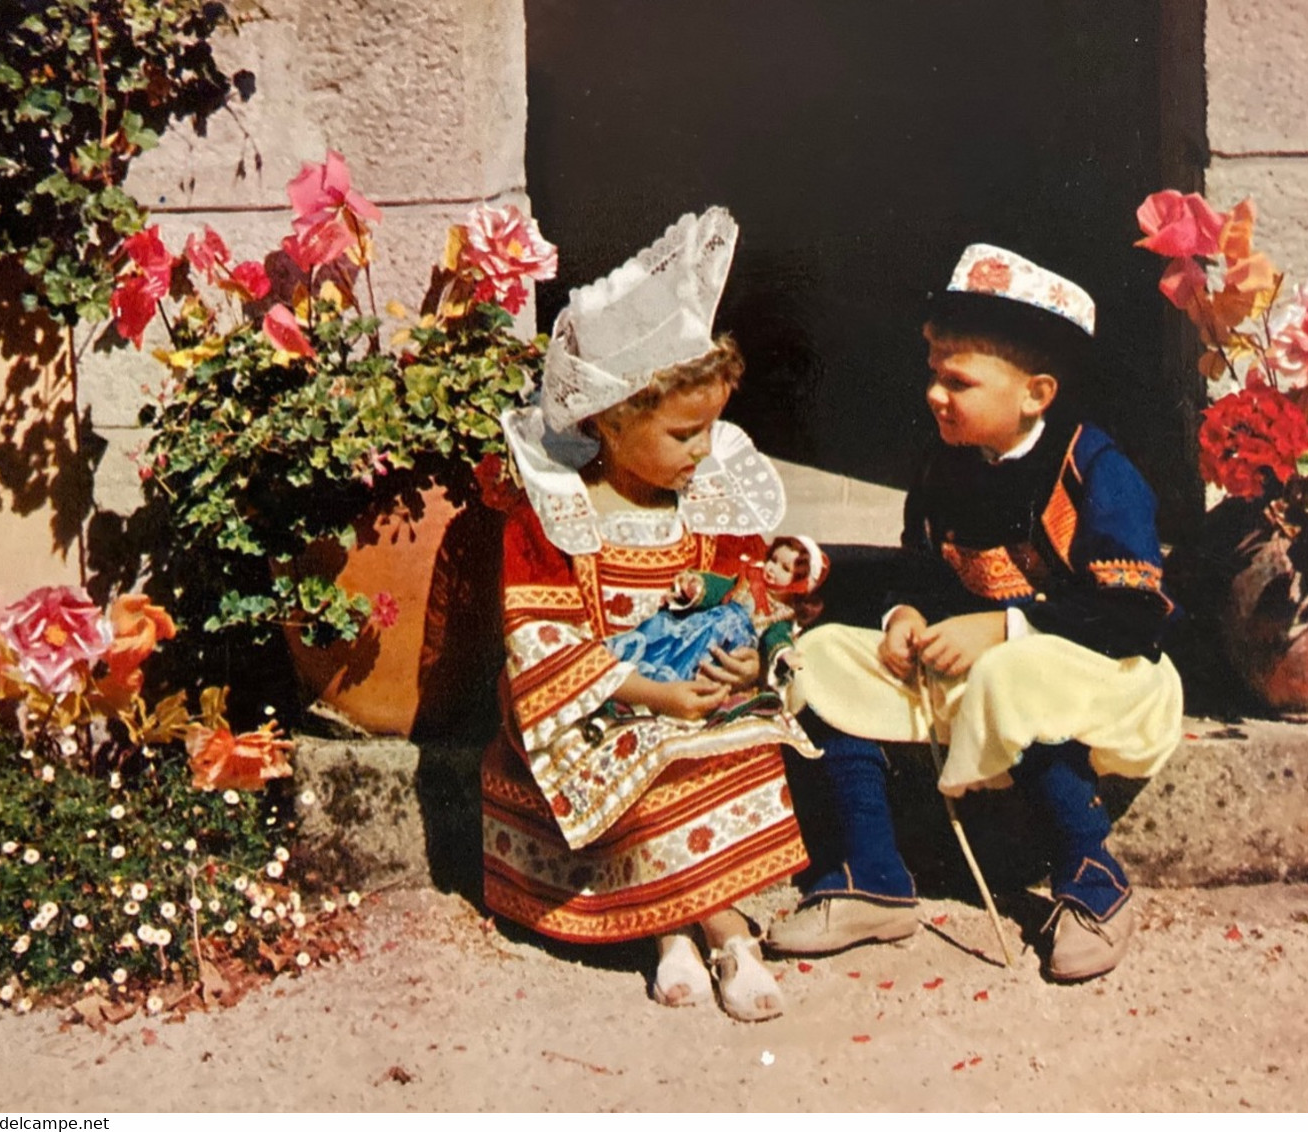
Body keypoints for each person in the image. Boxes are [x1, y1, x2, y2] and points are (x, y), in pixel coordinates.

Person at [768, 243, 1185, 981]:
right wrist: (902, 615)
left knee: (1012, 671)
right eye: (933, 374)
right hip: (982, 676)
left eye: (957, 381)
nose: (935, 395)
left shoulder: (1095, 468)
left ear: (1035, 393)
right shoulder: (939, 463)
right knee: (821, 651)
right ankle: (874, 877)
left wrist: (1001, 626)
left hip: (1100, 676)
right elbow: (926, 572)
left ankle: (1091, 878)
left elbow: (1133, 615)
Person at [480, 207, 820, 1022]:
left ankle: (695, 929)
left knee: (738, 736)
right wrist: (653, 695)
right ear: (609, 420)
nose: (703, 451)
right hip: (593, 703)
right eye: (682, 433)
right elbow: (541, 642)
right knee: (659, 749)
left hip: (694, 686)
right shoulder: (555, 515)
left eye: (711, 428)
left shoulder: (705, 497)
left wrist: (749, 658)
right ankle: (710, 931)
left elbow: (746, 599)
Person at [606, 534, 828, 689]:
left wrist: (784, 653)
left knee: (694, 660)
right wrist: (697, 587)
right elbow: (720, 587)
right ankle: (636, 661)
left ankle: (666, 682)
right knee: (676, 636)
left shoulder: (782, 613)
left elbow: (775, 637)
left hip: (727, 645)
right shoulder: (748, 579)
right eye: (773, 560)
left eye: (785, 568)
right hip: (706, 623)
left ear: (798, 582)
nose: (772, 569)